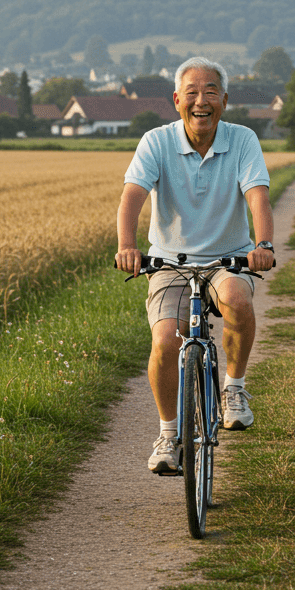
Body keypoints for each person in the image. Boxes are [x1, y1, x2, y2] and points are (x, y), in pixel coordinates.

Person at [116, 56, 276, 475]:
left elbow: (257, 194)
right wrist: (127, 246)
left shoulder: (242, 140)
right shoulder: (156, 141)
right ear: (176, 100)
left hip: (228, 259)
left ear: (224, 99)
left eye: (210, 92)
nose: (200, 101)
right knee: (166, 341)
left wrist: (262, 244)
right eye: (192, 92)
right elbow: (132, 195)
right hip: (169, 262)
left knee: (238, 299)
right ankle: (169, 435)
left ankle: (234, 390)